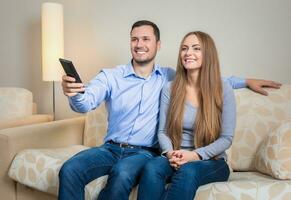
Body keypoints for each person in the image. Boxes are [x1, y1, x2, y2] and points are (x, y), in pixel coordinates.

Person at [59, 20, 281, 200]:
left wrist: (247, 81)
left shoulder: (172, 77)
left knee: (125, 173)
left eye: (146, 39)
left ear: (158, 45)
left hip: (149, 152)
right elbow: (85, 102)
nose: (139, 44)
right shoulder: (117, 77)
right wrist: (75, 93)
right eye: (134, 39)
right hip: (112, 148)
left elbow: (210, 80)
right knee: (70, 169)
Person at [137, 31, 240, 200]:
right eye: (184, 48)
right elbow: (162, 131)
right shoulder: (170, 88)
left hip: (212, 161)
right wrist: (170, 153)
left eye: (196, 48)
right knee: (152, 167)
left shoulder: (224, 89)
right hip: (176, 155)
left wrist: (195, 155)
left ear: (208, 54)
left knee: (188, 171)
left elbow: (226, 138)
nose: (188, 53)